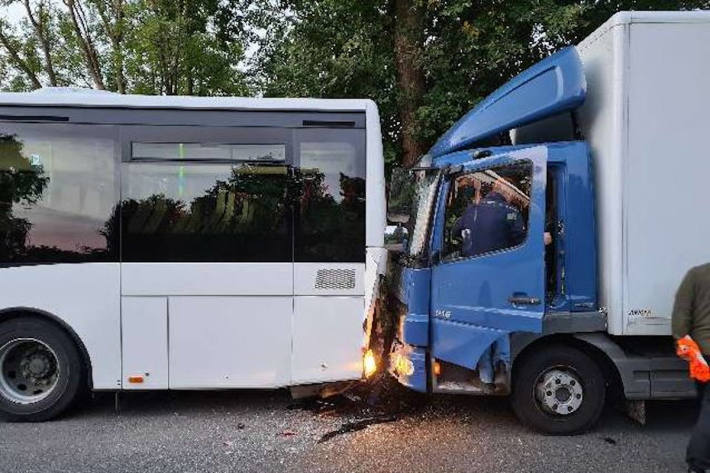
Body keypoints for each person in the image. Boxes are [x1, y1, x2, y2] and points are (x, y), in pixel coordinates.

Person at [673, 263, 710, 473]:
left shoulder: (697, 275)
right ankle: (699, 462)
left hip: (702, 353)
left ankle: (698, 462)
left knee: (705, 404)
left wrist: (686, 349)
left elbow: (681, 315)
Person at [451, 177, 526, 258]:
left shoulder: (471, 209)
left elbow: (455, 232)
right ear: (509, 193)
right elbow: (522, 242)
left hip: (469, 264)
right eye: (513, 195)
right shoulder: (511, 212)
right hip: (499, 266)